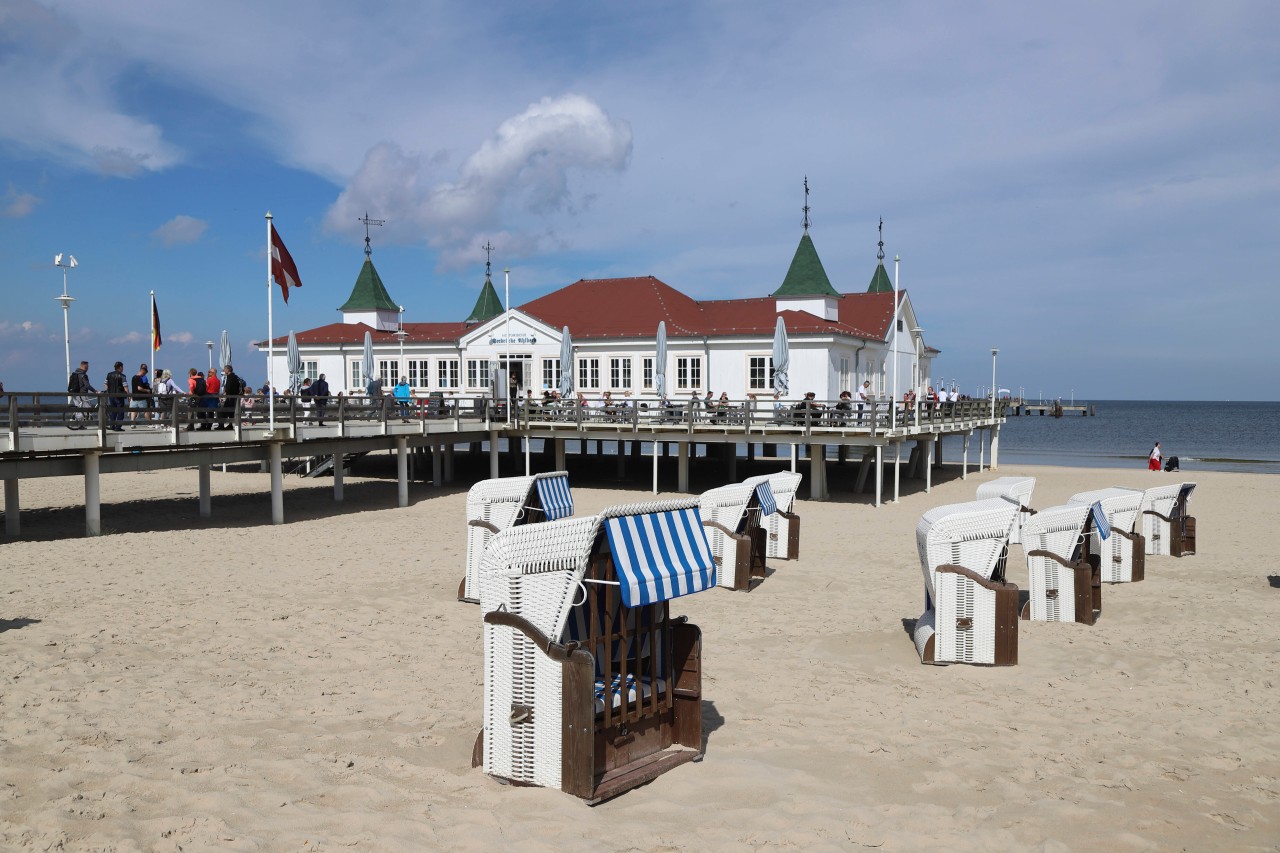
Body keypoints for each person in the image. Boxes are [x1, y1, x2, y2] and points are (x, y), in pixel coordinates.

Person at [67, 360, 97, 425]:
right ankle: (75, 418)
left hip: (74, 394)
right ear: (85, 367)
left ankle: (80, 425)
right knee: (87, 409)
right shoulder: (83, 375)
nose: (88, 368)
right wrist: (95, 391)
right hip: (82, 394)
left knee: (80, 409)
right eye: (88, 367)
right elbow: (87, 385)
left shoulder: (75, 374)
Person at [219, 364, 244, 429]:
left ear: (228, 370)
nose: (224, 370)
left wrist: (226, 392)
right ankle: (230, 424)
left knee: (224, 411)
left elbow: (229, 387)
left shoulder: (230, 377)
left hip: (230, 396)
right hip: (235, 396)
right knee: (231, 411)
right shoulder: (235, 376)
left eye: (225, 369)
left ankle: (221, 425)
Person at [104, 361, 128, 431]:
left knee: (113, 411)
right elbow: (125, 386)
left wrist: (108, 390)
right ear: (120, 367)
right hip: (119, 396)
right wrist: (128, 395)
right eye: (122, 367)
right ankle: (118, 427)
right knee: (120, 411)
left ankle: (112, 426)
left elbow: (105, 384)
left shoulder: (109, 375)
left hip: (111, 395)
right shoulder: (122, 376)